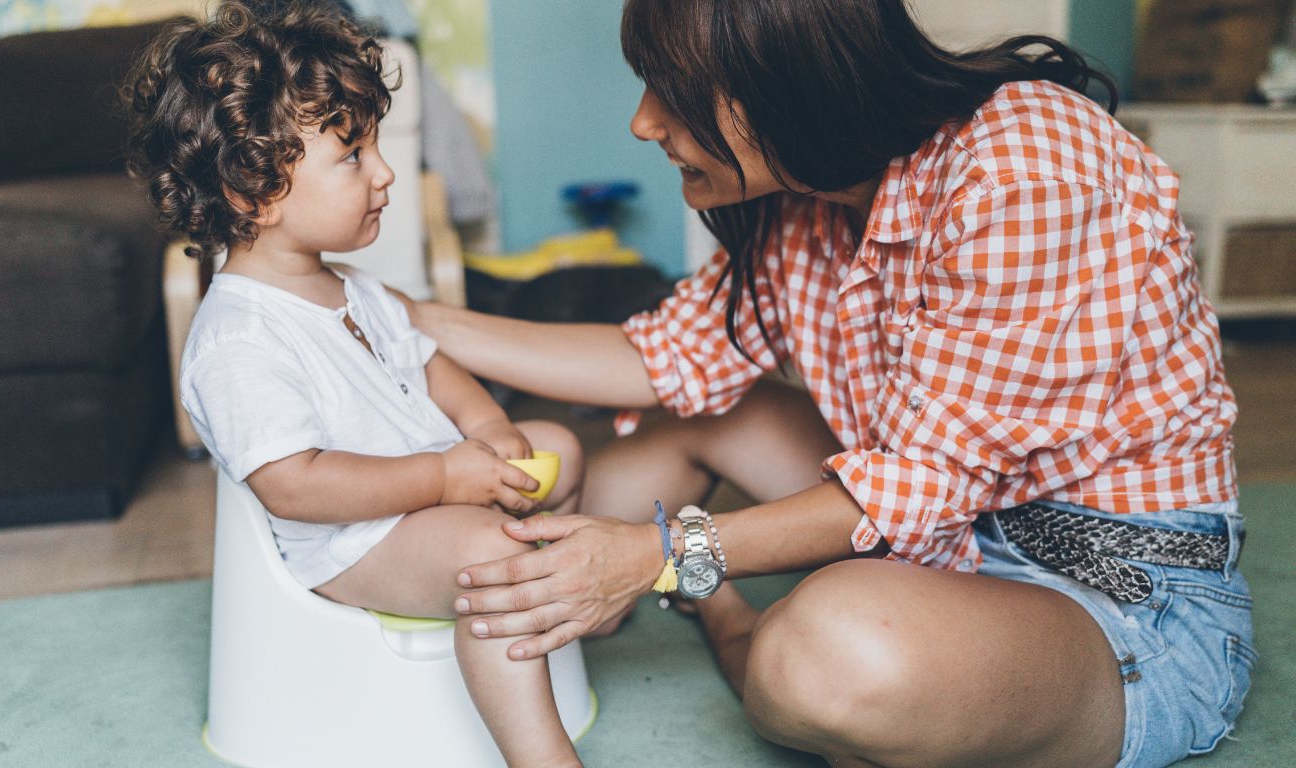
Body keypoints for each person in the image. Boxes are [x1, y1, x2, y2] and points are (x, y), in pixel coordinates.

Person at [408, 1, 1253, 766]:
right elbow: (662, 357)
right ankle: (546, 567)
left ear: (788, 79)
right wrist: (407, 320)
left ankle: (724, 613)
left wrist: (662, 561)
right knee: (705, 415)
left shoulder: (1025, 170)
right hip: (954, 529)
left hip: (1123, 597)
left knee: (823, 656)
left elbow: (924, 485)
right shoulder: (809, 196)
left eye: (670, 91)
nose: (642, 123)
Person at [123, 3, 587, 766]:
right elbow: (296, 487)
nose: (385, 172)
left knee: (559, 446)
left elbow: (432, 363)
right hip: (354, 543)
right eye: (352, 155)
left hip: (433, 489)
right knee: (496, 557)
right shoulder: (239, 338)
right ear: (252, 191)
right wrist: (443, 476)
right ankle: (540, 752)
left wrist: (489, 428)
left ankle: (570, 618)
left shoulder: (353, 287)